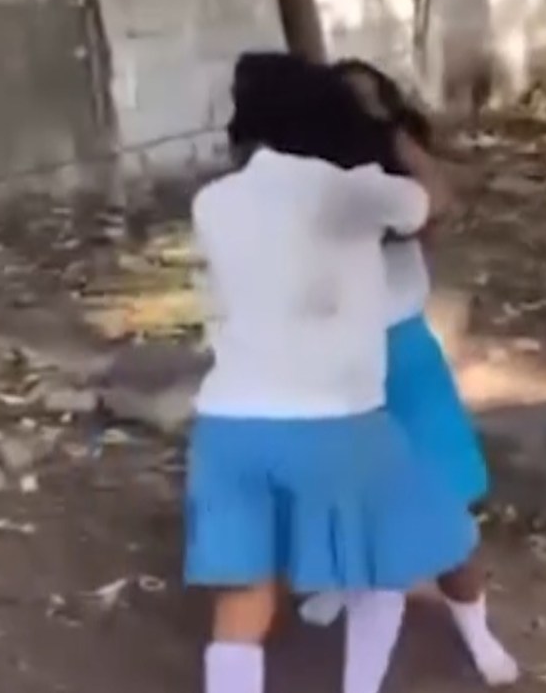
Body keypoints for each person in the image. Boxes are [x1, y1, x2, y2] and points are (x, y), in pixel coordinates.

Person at [186, 52, 478, 693]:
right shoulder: (350, 193)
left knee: (243, 600)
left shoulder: (213, 203)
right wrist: (386, 127)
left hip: (229, 425)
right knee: (383, 570)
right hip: (335, 421)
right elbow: (431, 202)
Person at [298, 59, 520, 687]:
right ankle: (346, 586)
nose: (364, 120)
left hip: (404, 365)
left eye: (377, 106)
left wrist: (392, 137)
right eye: (348, 108)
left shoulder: (399, 189)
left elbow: (437, 204)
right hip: (337, 371)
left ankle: (476, 631)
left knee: (446, 517)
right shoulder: (310, 187)